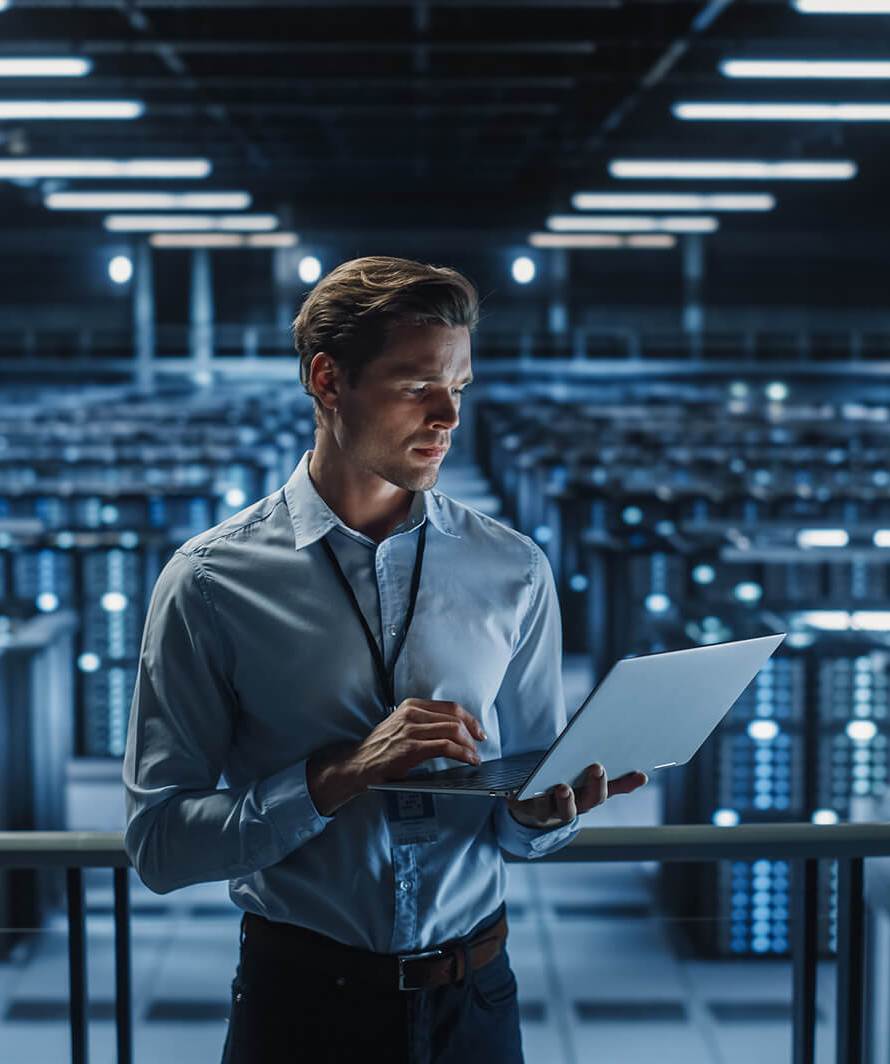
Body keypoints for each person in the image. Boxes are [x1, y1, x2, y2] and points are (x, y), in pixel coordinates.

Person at [122, 256, 648, 1064]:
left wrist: (544, 818)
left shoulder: (512, 569)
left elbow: (527, 807)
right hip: (300, 1008)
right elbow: (159, 844)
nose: (448, 416)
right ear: (328, 381)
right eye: (416, 386)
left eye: (460, 388)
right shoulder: (211, 582)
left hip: (476, 1001)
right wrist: (337, 777)